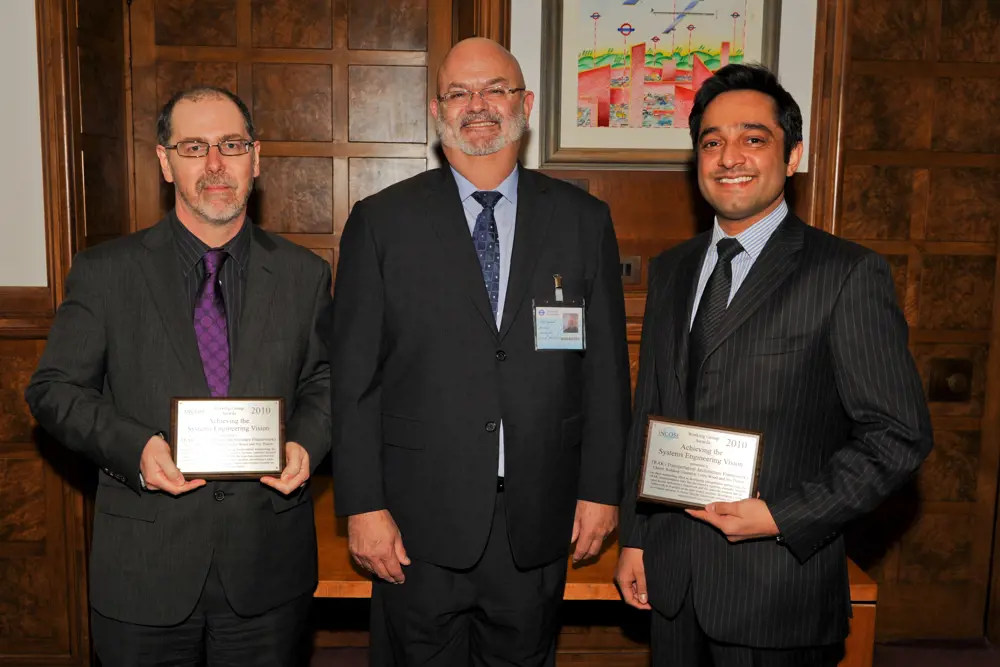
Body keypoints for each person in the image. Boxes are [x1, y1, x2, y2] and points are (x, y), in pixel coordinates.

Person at [614, 64, 933, 666]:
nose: (729, 156)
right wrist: (636, 538)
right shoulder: (673, 269)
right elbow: (650, 412)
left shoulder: (845, 274)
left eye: (753, 138)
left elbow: (898, 436)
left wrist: (781, 516)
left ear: (793, 157)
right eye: (712, 142)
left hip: (776, 590)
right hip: (673, 585)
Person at [330, 37, 631, 666]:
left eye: (494, 88)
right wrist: (362, 505)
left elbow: (604, 374)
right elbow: (354, 380)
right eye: (459, 93)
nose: (479, 105)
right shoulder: (381, 222)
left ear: (524, 102)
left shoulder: (583, 220)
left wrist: (603, 491)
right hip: (416, 523)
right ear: (437, 111)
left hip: (538, 518)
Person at [25, 86, 332, 666]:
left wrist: (307, 445)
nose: (215, 163)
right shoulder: (106, 273)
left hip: (267, 571)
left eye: (231, 144)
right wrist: (135, 448)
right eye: (194, 146)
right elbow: (53, 389)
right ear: (166, 162)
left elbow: (327, 380)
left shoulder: (303, 276)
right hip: (144, 570)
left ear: (255, 158)